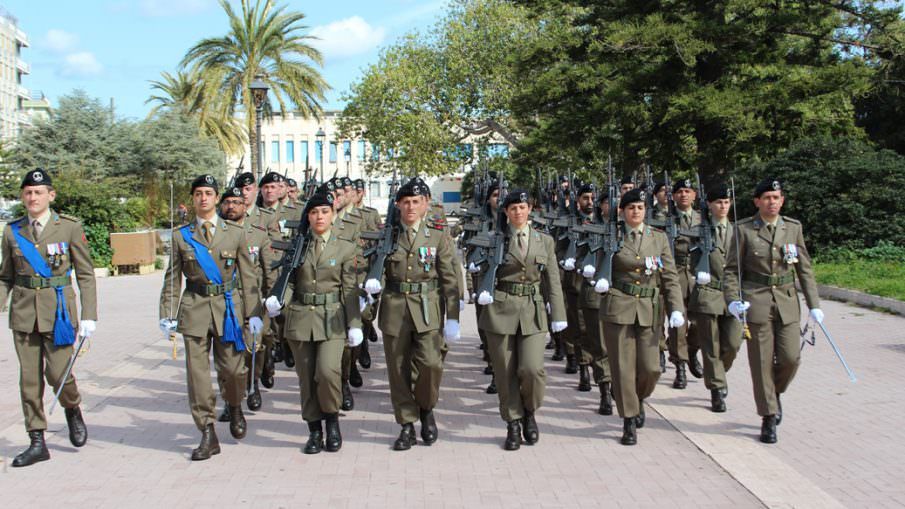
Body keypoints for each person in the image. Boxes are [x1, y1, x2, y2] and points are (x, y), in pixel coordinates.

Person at [159, 174, 263, 461]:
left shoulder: (235, 233)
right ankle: (207, 431)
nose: (203, 198)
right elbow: (172, 279)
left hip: (229, 310)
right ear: (193, 199)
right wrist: (167, 313)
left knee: (233, 370)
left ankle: (235, 404)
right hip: (194, 308)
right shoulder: (182, 236)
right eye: (198, 194)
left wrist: (254, 313)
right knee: (198, 377)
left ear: (216, 198)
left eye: (208, 193)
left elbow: (249, 276)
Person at [0, 168, 98, 467]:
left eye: (38, 192)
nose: (33, 197)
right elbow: (5, 276)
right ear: (22, 196)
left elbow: (85, 274)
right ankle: (37, 440)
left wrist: (89, 314)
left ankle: (72, 407)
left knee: (58, 374)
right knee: (29, 380)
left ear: (50, 195)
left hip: (58, 315)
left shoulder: (68, 227)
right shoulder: (12, 231)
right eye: (28, 192)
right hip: (24, 313)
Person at [363, 178, 460, 451]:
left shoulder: (438, 236)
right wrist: (371, 286)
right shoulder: (387, 236)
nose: (410, 207)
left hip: (427, 308)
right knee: (398, 369)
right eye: (405, 202)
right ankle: (406, 424)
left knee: (431, 364)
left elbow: (449, 278)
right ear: (398, 205)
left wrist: (453, 315)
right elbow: (376, 272)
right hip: (395, 308)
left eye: (416, 201)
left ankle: (426, 408)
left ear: (426, 204)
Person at [723, 178, 822, 444]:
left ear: (782, 200)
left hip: (787, 301)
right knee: (761, 362)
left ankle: (774, 392)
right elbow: (732, 270)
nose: (772, 202)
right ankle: (768, 416)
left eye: (776, 197)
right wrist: (733, 299)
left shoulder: (792, 228)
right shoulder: (744, 230)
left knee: (791, 359)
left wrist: (814, 305)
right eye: (766, 197)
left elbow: (805, 268)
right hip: (757, 301)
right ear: (757, 201)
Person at [265, 188, 362, 453]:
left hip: (332, 319)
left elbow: (350, 289)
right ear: (307, 216)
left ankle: (332, 421)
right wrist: (278, 298)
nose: (319, 217)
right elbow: (288, 280)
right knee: (306, 378)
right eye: (314, 212)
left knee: (328, 372)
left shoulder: (345, 247)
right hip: (300, 319)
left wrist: (355, 323)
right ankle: (314, 431)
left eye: (324, 212)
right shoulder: (299, 245)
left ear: (333, 215)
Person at [476, 189, 567, 450]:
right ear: (506, 212)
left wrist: (558, 314)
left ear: (530, 210)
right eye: (513, 208)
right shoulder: (494, 239)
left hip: (532, 310)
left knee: (531, 369)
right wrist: (481, 291)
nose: (518, 212)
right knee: (505, 373)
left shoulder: (544, 241)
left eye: (522, 207)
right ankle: (513, 423)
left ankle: (530, 411)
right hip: (501, 310)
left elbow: (553, 280)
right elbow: (481, 271)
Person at [595, 188, 684, 446]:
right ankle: (629, 419)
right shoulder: (611, 236)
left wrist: (676, 308)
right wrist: (599, 280)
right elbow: (600, 266)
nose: (636, 212)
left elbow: (669, 277)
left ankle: (638, 397)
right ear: (622, 211)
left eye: (640, 208)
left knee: (650, 368)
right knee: (622, 368)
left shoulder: (658, 238)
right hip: (619, 307)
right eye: (631, 207)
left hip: (649, 308)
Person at [217, 186, 277, 417]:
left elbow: (268, 268)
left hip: (253, 299)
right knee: (227, 356)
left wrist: (272, 297)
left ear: (245, 207)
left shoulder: (258, 234)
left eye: (236, 202)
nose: (231, 206)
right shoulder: (215, 234)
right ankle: (230, 400)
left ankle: (253, 384)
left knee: (254, 347)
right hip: (225, 302)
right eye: (227, 202)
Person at [687, 183, 743, 413]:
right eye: (719, 202)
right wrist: (696, 270)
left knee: (732, 344)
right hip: (708, 291)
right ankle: (716, 389)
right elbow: (684, 255)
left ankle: (716, 370)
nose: (723, 206)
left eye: (726, 202)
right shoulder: (697, 230)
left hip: (732, 294)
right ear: (709, 205)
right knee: (711, 344)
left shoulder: (739, 231)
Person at [668, 179, 703, 388]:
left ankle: (692, 350)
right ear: (673, 196)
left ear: (694, 195)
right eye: (679, 191)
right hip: (677, 274)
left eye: (687, 191)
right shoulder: (666, 220)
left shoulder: (703, 218)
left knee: (700, 323)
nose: (683, 195)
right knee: (678, 326)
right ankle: (680, 366)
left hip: (699, 275)